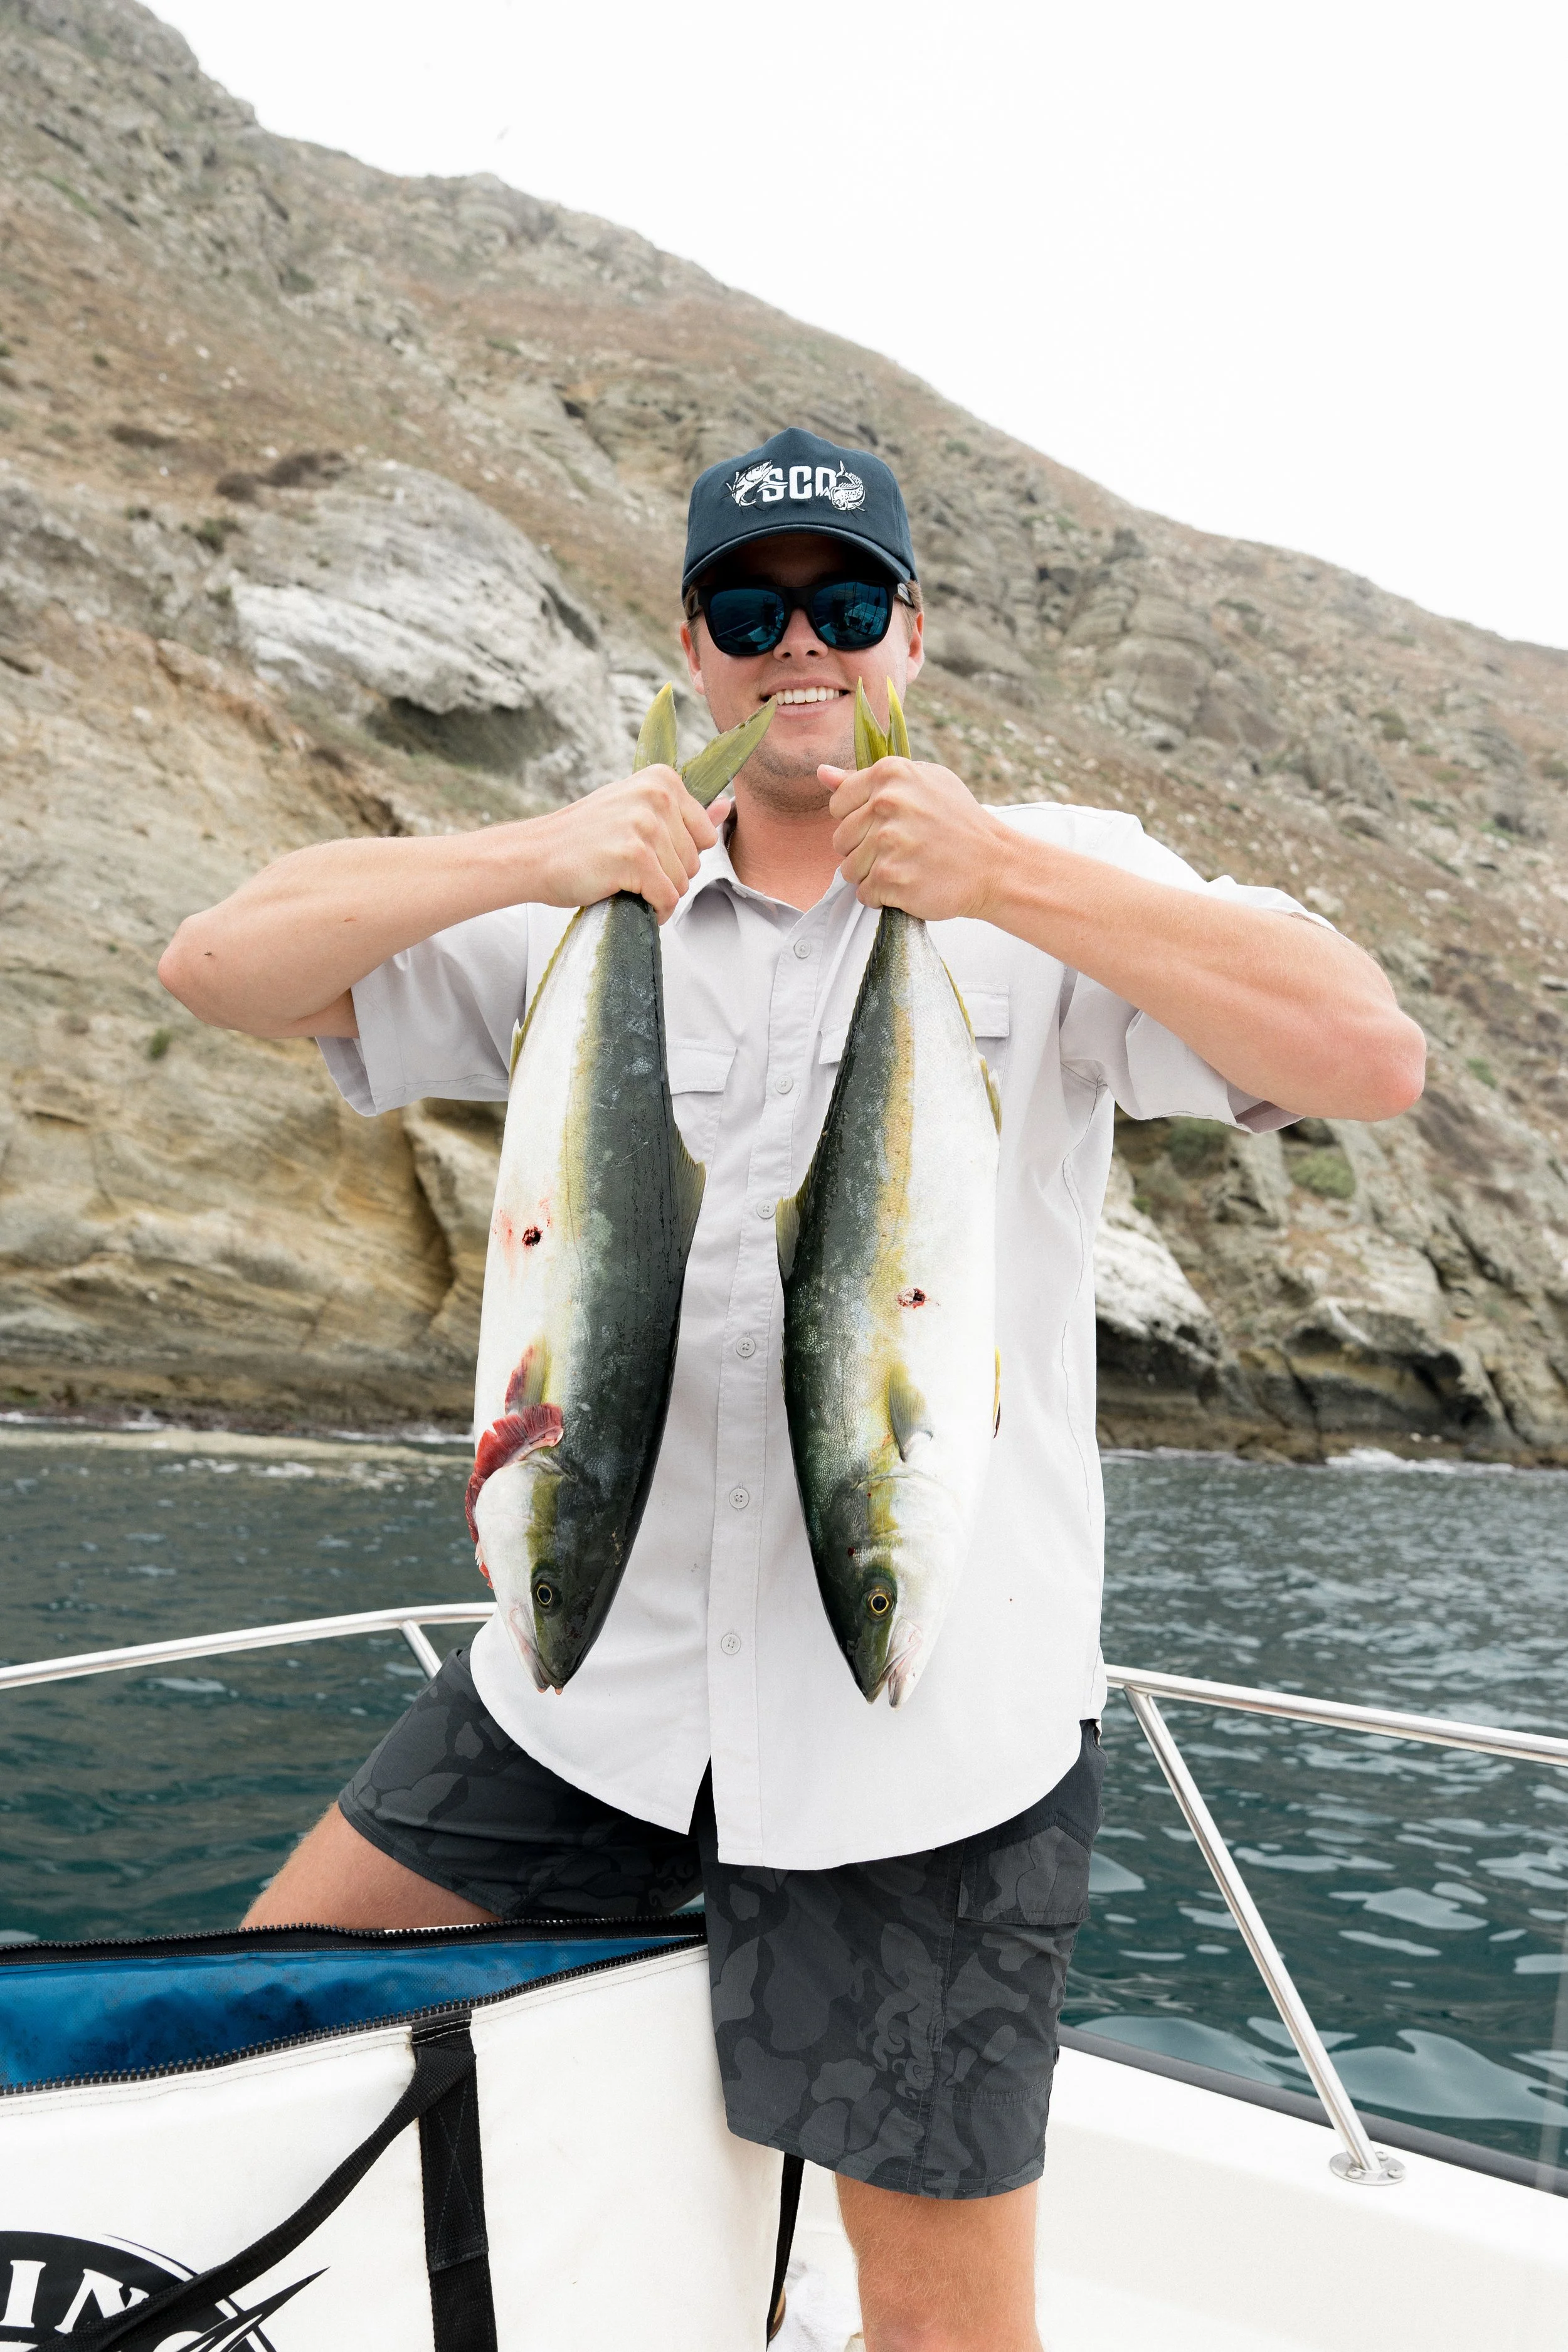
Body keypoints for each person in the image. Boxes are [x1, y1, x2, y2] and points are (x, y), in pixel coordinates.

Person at [159, 426, 1424, 2352]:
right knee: (245, 2031)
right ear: (692, 648)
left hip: (921, 1747)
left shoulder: (1059, 893)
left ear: (911, 631)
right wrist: (540, 850)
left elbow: (1364, 1053)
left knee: (936, 2324)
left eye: (843, 603)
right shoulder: (595, 911)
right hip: (589, 1685)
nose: (797, 644)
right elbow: (218, 964)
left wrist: (1002, 870)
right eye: (750, 610)